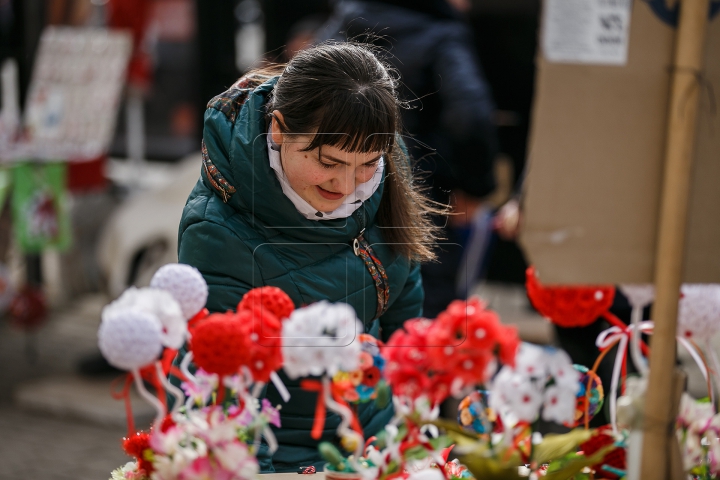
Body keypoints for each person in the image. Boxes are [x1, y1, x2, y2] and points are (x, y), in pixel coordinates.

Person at [175, 42, 443, 472]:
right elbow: (216, 390)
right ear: (279, 130)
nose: (347, 183)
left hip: (376, 435)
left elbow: (404, 299)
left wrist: (407, 425)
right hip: (283, 451)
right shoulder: (217, 231)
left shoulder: (382, 162)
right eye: (328, 161)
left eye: (366, 165)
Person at [317, 0, 499, 316]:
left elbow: (296, 94)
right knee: (418, 320)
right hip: (419, 200)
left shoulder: (344, 23)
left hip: (338, 194)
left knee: (339, 309)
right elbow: (471, 115)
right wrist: (476, 186)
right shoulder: (443, 34)